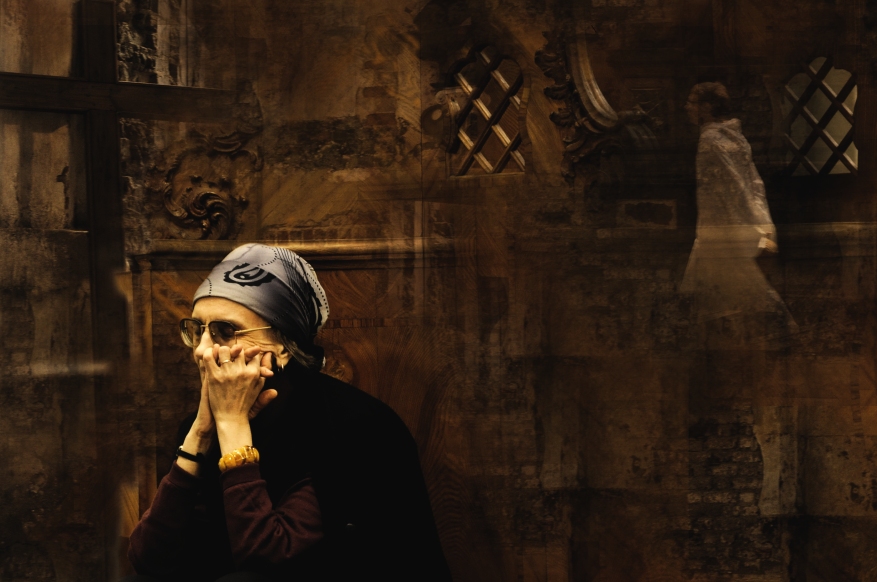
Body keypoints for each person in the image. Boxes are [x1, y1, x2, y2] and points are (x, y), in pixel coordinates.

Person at [124, 243, 452, 581]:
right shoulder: (204, 425)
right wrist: (202, 431)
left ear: (282, 346)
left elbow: (265, 561)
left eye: (226, 331)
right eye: (197, 330)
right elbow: (149, 558)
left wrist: (233, 426)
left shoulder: (353, 427)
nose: (203, 350)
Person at [680, 82, 796, 347]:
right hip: (729, 228)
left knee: (735, 294)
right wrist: (763, 224)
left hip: (722, 232)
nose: (687, 107)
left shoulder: (710, 141)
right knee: (726, 296)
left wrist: (751, 231)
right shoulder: (735, 137)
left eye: (692, 102)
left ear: (706, 107)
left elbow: (735, 187)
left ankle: (770, 339)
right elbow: (753, 185)